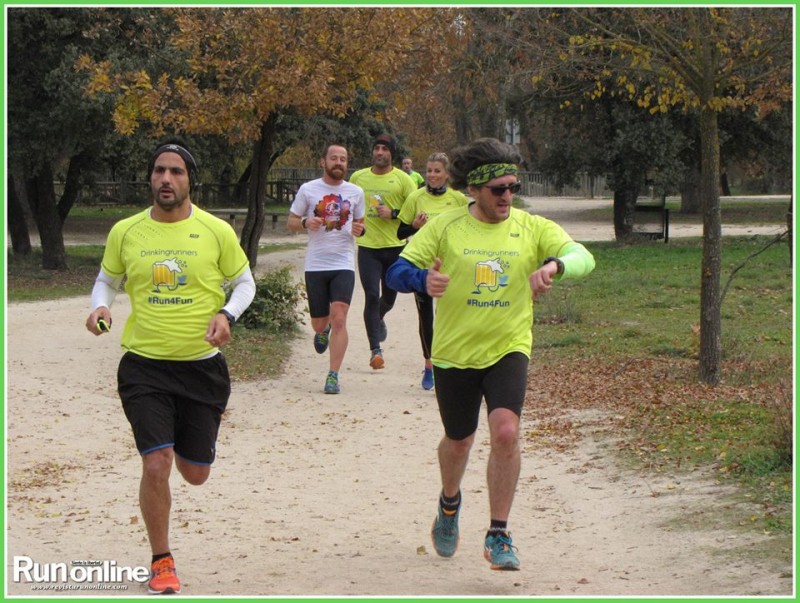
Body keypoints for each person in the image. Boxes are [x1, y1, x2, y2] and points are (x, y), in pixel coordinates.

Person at [386, 137, 595, 571]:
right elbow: (396, 270)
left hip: (508, 348)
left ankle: (498, 532)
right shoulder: (445, 227)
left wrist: (555, 266)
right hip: (453, 354)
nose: (507, 197)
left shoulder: (530, 228)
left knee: (505, 432)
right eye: (498, 189)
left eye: (513, 187)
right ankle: (449, 503)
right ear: (475, 190)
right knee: (459, 441)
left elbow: (583, 255)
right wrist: (422, 279)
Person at [85, 137, 255, 595]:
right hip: (144, 367)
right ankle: (162, 560)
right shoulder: (127, 231)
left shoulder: (216, 231)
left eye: (176, 172)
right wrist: (100, 307)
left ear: (190, 180)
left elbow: (244, 282)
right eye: (159, 170)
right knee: (156, 463)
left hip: (202, 369)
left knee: (194, 473)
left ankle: (182, 441)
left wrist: (227, 314)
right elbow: (106, 279)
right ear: (150, 178)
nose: (166, 178)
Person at [288, 143, 366, 394]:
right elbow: (291, 221)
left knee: (340, 316)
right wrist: (305, 221)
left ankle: (333, 375)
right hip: (316, 263)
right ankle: (324, 330)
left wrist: (360, 230)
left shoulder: (355, 192)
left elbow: (361, 224)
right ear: (323, 161)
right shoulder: (308, 190)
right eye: (334, 158)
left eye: (343, 158)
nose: (339, 162)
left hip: (343, 263)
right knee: (319, 324)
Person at [397, 152, 468, 391]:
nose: (432, 175)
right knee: (426, 317)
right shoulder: (415, 197)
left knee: (454, 316)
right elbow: (399, 232)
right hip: (422, 268)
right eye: (429, 170)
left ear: (447, 174)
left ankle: (454, 362)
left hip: (452, 267)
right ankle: (429, 365)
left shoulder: (458, 199)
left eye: (437, 171)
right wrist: (414, 227)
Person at [350, 134, 416, 370]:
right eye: (376, 148)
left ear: (391, 154)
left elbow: (415, 211)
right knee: (370, 295)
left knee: (388, 299)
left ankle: (379, 318)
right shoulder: (358, 177)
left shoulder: (403, 180)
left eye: (384, 149)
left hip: (396, 248)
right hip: (368, 247)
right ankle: (375, 350)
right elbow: (350, 207)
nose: (379, 152)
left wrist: (394, 213)